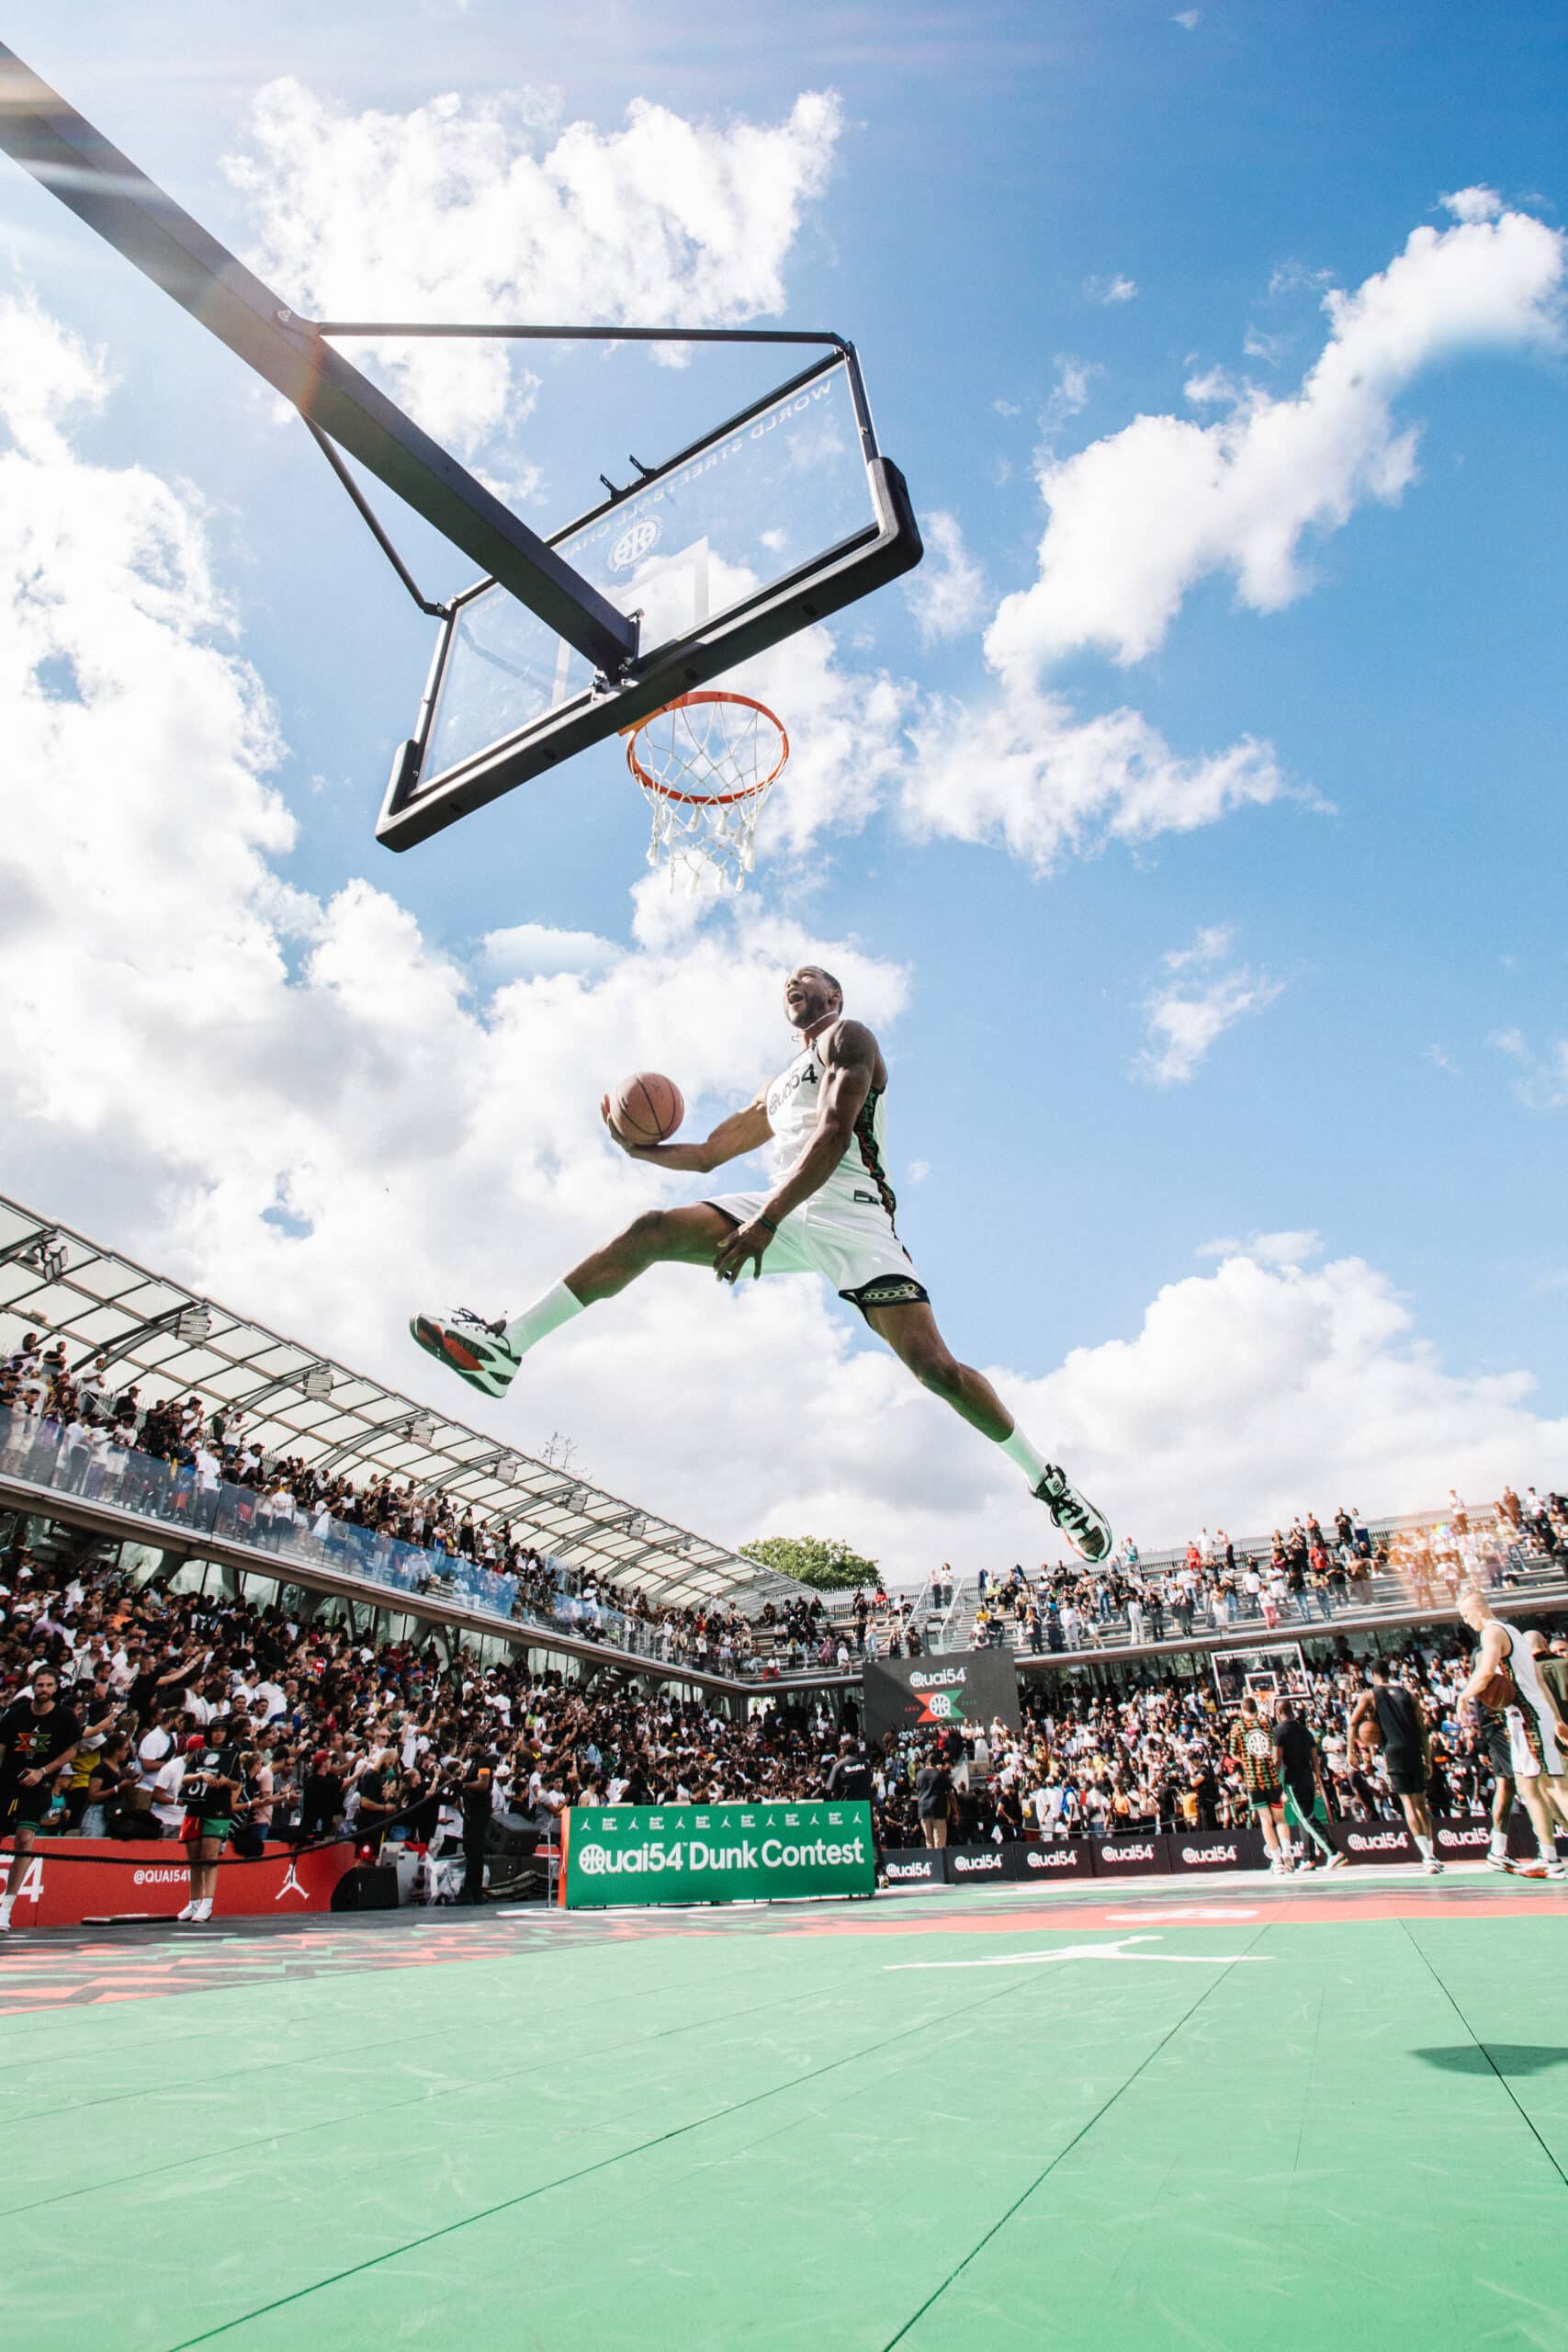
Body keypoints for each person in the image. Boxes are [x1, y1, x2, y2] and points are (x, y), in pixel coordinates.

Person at [412, 966, 1111, 1564]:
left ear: (833, 995)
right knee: (651, 1229)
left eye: (809, 977)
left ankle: (1049, 1482)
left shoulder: (849, 1037)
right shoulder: (777, 1086)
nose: (794, 983)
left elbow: (836, 1132)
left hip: (851, 1214)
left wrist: (765, 1219)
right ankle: (508, 1344)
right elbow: (711, 1152)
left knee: (935, 1370)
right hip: (779, 1208)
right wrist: (637, 1151)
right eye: (788, 981)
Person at [1456, 1589, 1568, 1879]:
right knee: (1530, 1789)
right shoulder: (1514, 1631)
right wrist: (1556, 1718)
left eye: (1467, 1615)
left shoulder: (1492, 1633)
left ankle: (1550, 1856)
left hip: (1530, 1717)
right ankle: (1550, 1857)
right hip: (1525, 1717)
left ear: (1478, 1610)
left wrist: (1463, 1696)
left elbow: (1485, 1671)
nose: (1467, 1622)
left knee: (1554, 1786)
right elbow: (1539, 1681)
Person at [0, 1668, 82, 1930]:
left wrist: (43, 1771)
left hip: (38, 1786)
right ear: (33, 1687)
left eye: (48, 1685)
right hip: (7, 1784)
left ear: (56, 1688)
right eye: (39, 1685)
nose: (43, 1689)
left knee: (25, 1839)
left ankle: (6, 1907)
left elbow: (71, 1752)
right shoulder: (16, 1714)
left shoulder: (65, 1717)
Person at [1346, 1664, 1441, 1871]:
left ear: (1372, 1674)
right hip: (1414, 1749)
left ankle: (1427, 1857)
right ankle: (1432, 1853)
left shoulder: (1370, 1694)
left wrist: (1350, 1752)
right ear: (1390, 1673)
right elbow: (1423, 1730)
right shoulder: (1408, 1694)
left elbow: (1353, 1723)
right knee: (1420, 1803)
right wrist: (1427, 1757)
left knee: (1409, 1804)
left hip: (1393, 1751)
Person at [1270, 1695, 1347, 1871]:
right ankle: (1308, 1858)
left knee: (1305, 1816)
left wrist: (1275, 1780)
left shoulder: (1279, 1731)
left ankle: (1334, 1852)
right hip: (1308, 1776)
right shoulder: (1304, 1730)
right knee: (1304, 1816)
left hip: (1293, 1778)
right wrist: (1317, 1777)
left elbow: (1276, 1759)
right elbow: (1315, 1757)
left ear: (1279, 1712)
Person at [176, 1726, 243, 1924]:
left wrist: (224, 1782)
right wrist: (199, 1776)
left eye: (223, 1730)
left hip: (217, 1809)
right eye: (215, 1730)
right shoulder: (199, 1754)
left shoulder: (232, 1756)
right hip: (195, 1807)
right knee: (194, 1858)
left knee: (210, 1857)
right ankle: (194, 1901)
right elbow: (185, 1778)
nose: (219, 1734)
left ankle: (208, 1902)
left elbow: (236, 1783)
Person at [1225, 1695, 1292, 1873]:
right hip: (1272, 1777)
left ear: (1242, 1709)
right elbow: (1274, 1748)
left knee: (1265, 1820)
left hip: (1255, 1780)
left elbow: (1232, 1753)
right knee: (1280, 1818)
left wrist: (1246, 1761)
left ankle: (1277, 1861)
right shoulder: (1266, 1725)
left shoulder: (1238, 1727)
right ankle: (1288, 1854)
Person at [914, 1749, 953, 1849]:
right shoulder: (941, 1775)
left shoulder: (919, 1774)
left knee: (929, 1842)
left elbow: (918, 1789)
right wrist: (956, 1811)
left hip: (923, 1810)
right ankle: (940, 1864)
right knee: (939, 1842)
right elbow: (950, 1795)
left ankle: (932, 1863)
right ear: (936, 1763)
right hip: (938, 1810)